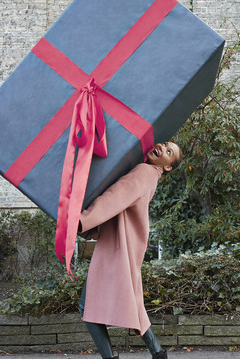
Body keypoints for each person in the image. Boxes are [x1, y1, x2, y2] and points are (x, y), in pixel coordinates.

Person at [77, 141, 182, 359]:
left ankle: (112, 357)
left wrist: (82, 221)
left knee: (87, 307)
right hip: (127, 247)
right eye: (164, 144)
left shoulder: (143, 171)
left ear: (168, 166)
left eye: (169, 152)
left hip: (118, 248)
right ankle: (158, 353)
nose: (162, 148)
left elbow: (116, 196)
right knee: (133, 303)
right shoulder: (152, 176)